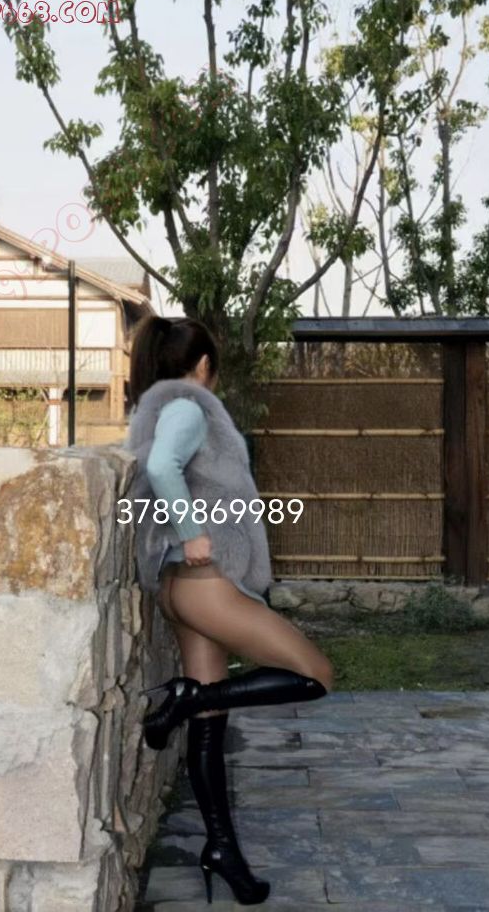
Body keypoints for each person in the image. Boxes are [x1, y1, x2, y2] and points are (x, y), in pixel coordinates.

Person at [123, 315, 335, 906]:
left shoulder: (153, 412)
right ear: (203, 366)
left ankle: (221, 848)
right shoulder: (188, 407)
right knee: (316, 675)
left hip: (178, 586)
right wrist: (193, 530)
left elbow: (158, 472)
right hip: (204, 583)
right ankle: (185, 700)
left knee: (210, 722)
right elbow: (162, 469)